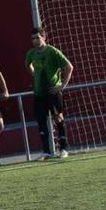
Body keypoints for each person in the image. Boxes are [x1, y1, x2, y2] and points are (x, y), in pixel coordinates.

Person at [26, 27, 74, 159]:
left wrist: (61, 86)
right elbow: (28, 66)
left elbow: (69, 67)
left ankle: (64, 148)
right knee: (41, 121)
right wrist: (36, 77)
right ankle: (46, 151)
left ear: (44, 37)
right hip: (38, 93)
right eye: (32, 38)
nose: (35, 41)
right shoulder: (31, 54)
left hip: (52, 92)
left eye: (37, 37)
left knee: (58, 117)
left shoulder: (52, 51)